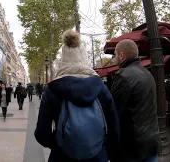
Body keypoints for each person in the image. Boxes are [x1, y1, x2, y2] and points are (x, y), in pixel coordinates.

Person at [35, 30, 120, 162]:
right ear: (84, 56)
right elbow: (114, 128)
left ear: (63, 58)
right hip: (97, 156)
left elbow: (41, 133)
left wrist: (60, 144)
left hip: (62, 157)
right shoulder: (101, 88)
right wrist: (104, 151)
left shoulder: (52, 90)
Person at [111, 39, 161, 162]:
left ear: (121, 55)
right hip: (151, 143)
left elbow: (114, 114)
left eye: (115, 55)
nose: (115, 59)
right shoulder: (147, 73)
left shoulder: (123, 76)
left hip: (132, 149)